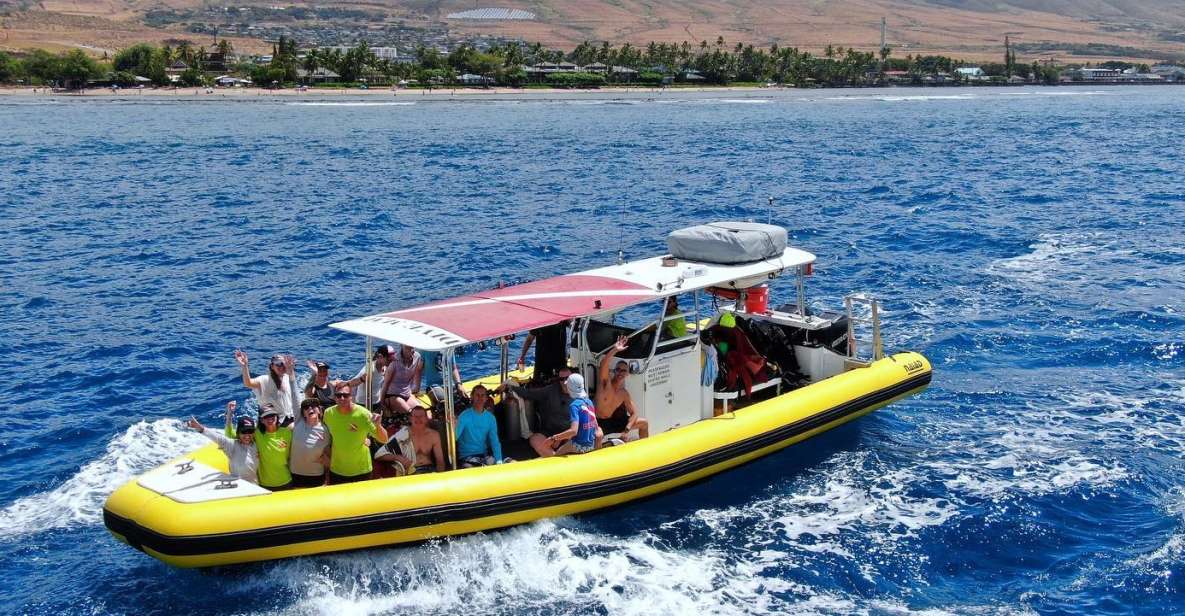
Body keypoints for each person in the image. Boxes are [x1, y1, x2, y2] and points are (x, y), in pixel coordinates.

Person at [498, 365, 575, 458]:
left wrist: (561, 437)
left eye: (568, 378)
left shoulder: (579, 394)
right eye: (561, 379)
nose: (565, 382)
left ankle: (552, 456)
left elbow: (579, 426)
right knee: (534, 439)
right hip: (550, 432)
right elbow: (530, 394)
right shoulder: (551, 390)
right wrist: (510, 387)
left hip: (569, 433)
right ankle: (555, 458)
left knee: (577, 438)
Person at [322, 383, 388, 483]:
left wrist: (378, 425)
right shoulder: (328, 414)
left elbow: (384, 439)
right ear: (335, 397)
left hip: (361, 471)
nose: (342, 398)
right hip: (337, 470)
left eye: (346, 395)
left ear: (351, 396)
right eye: (339, 395)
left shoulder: (364, 414)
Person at [187, 401, 259, 484]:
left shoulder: (256, 444)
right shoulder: (232, 445)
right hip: (238, 486)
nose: (247, 435)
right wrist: (201, 429)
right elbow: (218, 438)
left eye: (250, 431)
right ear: (238, 433)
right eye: (244, 432)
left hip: (255, 485)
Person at [594, 335, 650, 441]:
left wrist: (627, 430)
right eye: (618, 369)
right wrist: (615, 349)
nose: (620, 372)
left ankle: (645, 448)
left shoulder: (623, 393)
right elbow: (604, 363)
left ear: (627, 374)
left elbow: (634, 413)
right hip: (599, 422)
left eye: (623, 371)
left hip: (614, 421)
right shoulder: (606, 384)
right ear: (614, 371)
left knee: (644, 423)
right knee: (598, 435)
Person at [235, 349, 299, 425]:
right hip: (273, 421)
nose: (281, 366)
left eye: (283, 364)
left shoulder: (287, 377)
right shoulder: (264, 379)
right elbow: (248, 383)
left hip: (290, 417)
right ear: (272, 366)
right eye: (278, 364)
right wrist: (244, 366)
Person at [544, 373, 599, 455]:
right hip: (591, 445)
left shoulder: (574, 406)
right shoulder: (589, 401)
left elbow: (574, 431)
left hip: (579, 446)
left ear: (570, 388)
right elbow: (595, 426)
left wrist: (554, 438)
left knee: (557, 455)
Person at [453, 384, 503, 467]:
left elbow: (495, 442)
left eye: (483, 395)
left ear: (486, 398)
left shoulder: (491, 418)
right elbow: (455, 437)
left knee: (509, 463)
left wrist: (499, 460)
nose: (480, 398)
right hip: (467, 457)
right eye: (477, 395)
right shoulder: (464, 416)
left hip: (484, 456)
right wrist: (453, 424)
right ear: (472, 397)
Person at [290, 398, 332, 488]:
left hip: (316, 475)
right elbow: (294, 397)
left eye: (313, 406)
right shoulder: (298, 422)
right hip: (296, 474)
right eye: (306, 408)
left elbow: (328, 456)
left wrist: (328, 479)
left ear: (320, 411)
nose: (310, 409)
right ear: (303, 414)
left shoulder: (326, 430)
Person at [254, 403, 294, 490]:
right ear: (261, 420)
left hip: (286, 480)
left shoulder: (287, 432)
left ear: (277, 416)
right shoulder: (256, 434)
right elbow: (236, 436)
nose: (270, 418)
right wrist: (229, 416)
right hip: (265, 484)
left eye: (272, 415)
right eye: (266, 417)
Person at [345, 345, 394, 409]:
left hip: (376, 402)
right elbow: (352, 384)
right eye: (389, 359)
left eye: (392, 359)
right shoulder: (370, 369)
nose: (391, 362)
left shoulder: (385, 367)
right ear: (380, 357)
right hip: (364, 404)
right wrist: (362, 379)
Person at [381, 344, 423, 417]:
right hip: (392, 396)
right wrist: (382, 405)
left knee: (422, 412)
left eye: (412, 346)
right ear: (401, 345)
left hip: (407, 394)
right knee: (412, 414)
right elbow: (385, 383)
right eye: (408, 347)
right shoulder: (394, 361)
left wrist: (415, 390)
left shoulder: (417, 357)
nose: (411, 349)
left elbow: (416, 373)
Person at [406, 405, 446, 473]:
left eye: (421, 416)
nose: (418, 419)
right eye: (415, 416)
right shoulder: (403, 434)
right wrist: (398, 457)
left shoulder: (434, 435)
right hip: (410, 472)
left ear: (426, 418)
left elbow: (440, 461)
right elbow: (383, 453)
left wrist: (440, 477)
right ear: (410, 419)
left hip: (429, 469)